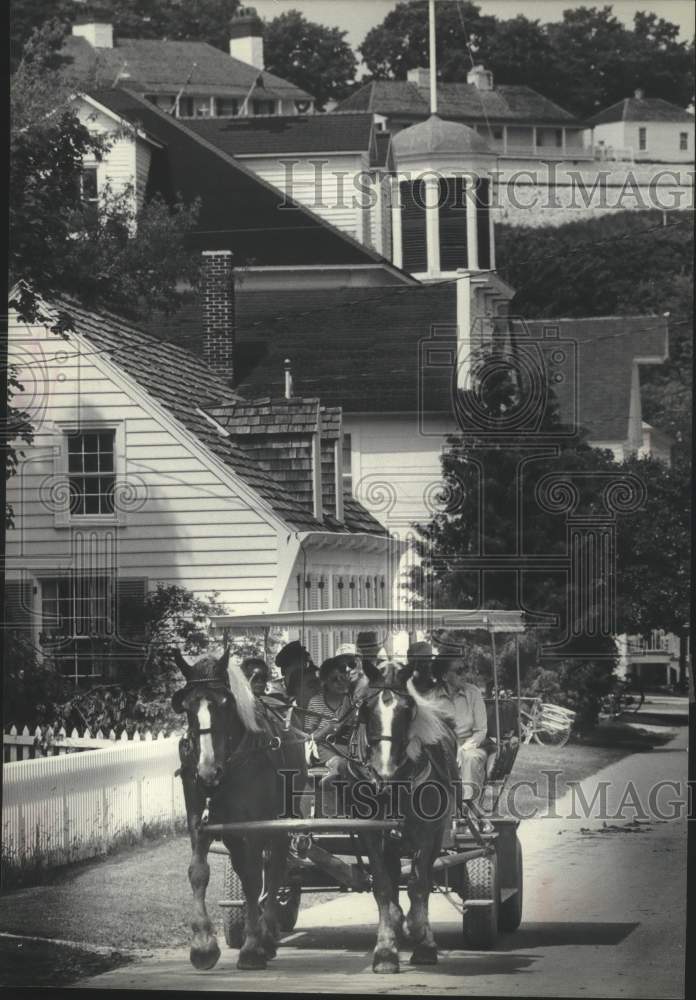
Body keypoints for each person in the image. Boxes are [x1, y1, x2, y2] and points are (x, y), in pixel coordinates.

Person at [425, 652, 489, 803]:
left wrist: (464, 748)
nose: (465, 674)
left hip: (470, 745)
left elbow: (481, 731)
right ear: (445, 676)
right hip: (440, 747)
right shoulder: (430, 698)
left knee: (470, 758)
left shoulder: (473, 693)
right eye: (459, 671)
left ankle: (466, 808)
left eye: (465, 669)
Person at [304, 657, 355, 767]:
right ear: (325, 681)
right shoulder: (316, 701)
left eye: (343, 678)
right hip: (324, 747)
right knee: (339, 764)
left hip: (349, 748)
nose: (340, 683)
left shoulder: (352, 703)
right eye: (335, 680)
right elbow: (309, 734)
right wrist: (328, 728)